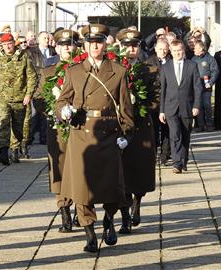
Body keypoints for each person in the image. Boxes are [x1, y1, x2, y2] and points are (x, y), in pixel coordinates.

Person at [55, 24, 134, 253]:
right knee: (82, 187)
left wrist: (126, 133)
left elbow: (125, 107)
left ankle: (109, 220)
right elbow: (61, 101)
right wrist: (64, 111)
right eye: (90, 42)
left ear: (105, 44)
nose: (94, 46)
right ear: (85, 45)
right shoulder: (74, 71)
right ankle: (89, 233)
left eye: (98, 42)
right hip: (82, 133)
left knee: (111, 186)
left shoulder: (118, 71)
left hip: (109, 133)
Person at [33, 29, 80, 233]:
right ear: (57, 48)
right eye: (62, 45)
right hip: (58, 128)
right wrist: (54, 112)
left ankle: (82, 207)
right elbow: (39, 97)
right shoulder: (49, 71)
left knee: (81, 167)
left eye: (70, 44)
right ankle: (64, 211)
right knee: (59, 168)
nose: (67, 48)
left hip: (80, 127)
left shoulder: (83, 70)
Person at [116, 29, 158, 234]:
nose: (131, 50)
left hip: (141, 127)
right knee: (121, 172)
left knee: (139, 171)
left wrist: (139, 106)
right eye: (127, 46)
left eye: (134, 46)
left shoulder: (149, 69)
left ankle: (137, 204)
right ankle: (124, 215)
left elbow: (156, 97)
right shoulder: (114, 69)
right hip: (120, 128)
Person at [0, 33, 38, 165]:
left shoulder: (23, 57)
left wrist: (28, 94)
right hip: (2, 98)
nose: (7, 47)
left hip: (19, 98)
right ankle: (3, 151)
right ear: (1, 46)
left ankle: (15, 149)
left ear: (13, 44)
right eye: (4, 45)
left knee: (18, 126)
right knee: (3, 122)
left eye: (9, 44)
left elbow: (32, 77)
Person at [159, 39, 202, 174]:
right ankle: (177, 163)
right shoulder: (166, 67)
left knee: (185, 135)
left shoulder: (192, 66)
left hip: (187, 107)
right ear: (170, 52)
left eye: (180, 51)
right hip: (170, 107)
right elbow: (163, 90)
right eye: (175, 51)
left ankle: (184, 159)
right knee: (175, 134)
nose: (177, 53)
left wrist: (196, 105)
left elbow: (197, 87)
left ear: (183, 51)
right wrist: (162, 111)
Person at [146, 38, 172, 164]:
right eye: (160, 49)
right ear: (155, 49)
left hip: (168, 101)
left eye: (165, 49)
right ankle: (154, 153)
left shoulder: (172, 62)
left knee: (167, 130)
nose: (163, 51)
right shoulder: (149, 62)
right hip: (154, 102)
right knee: (154, 130)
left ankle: (165, 155)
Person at [192, 40, 219, 132]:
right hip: (197, 86)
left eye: (195, 48)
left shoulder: (210, 58)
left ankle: (209, 125)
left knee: (207, 105)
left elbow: (215, 71)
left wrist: (210, 82)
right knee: (198, 105)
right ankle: (200, 125)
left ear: (201, 48)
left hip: (206, 85)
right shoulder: (193, 59)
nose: (194, 49)